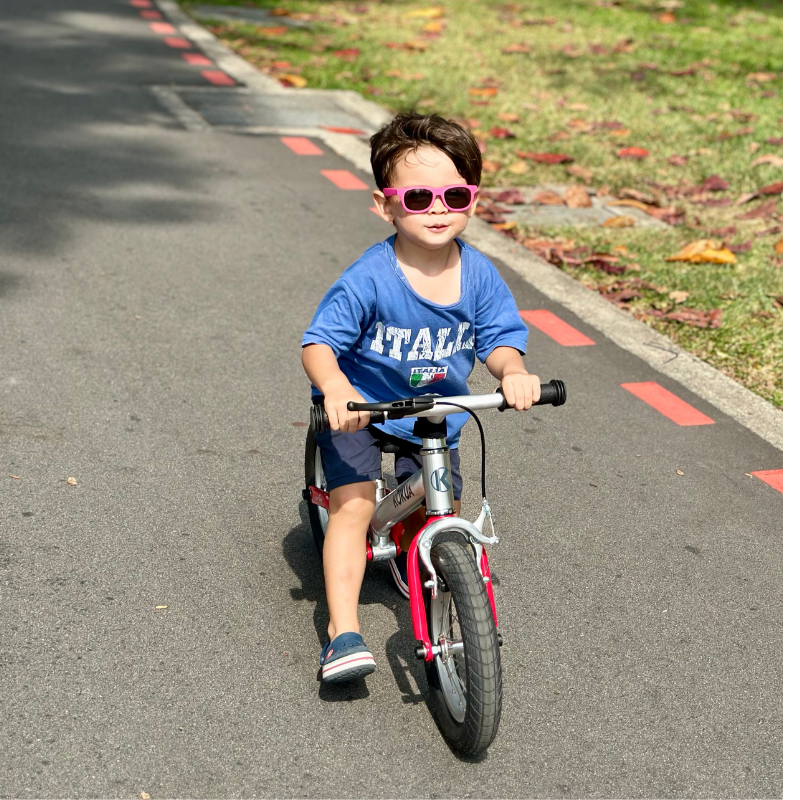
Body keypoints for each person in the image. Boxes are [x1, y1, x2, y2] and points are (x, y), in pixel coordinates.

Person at [301, 112, 540, 683]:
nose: (437, 208)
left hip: (435, 415)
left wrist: (513, 372)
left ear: (473, 201)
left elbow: (501, 340)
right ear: (385, 206)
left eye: (454, 193)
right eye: (418, 196)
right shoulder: (371, 277)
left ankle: (430, 563)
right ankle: (342, 631)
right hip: (365, 409)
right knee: (354, 509)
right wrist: (336, 387)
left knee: (442, 507)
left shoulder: (479, 276)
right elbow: (319, 343)